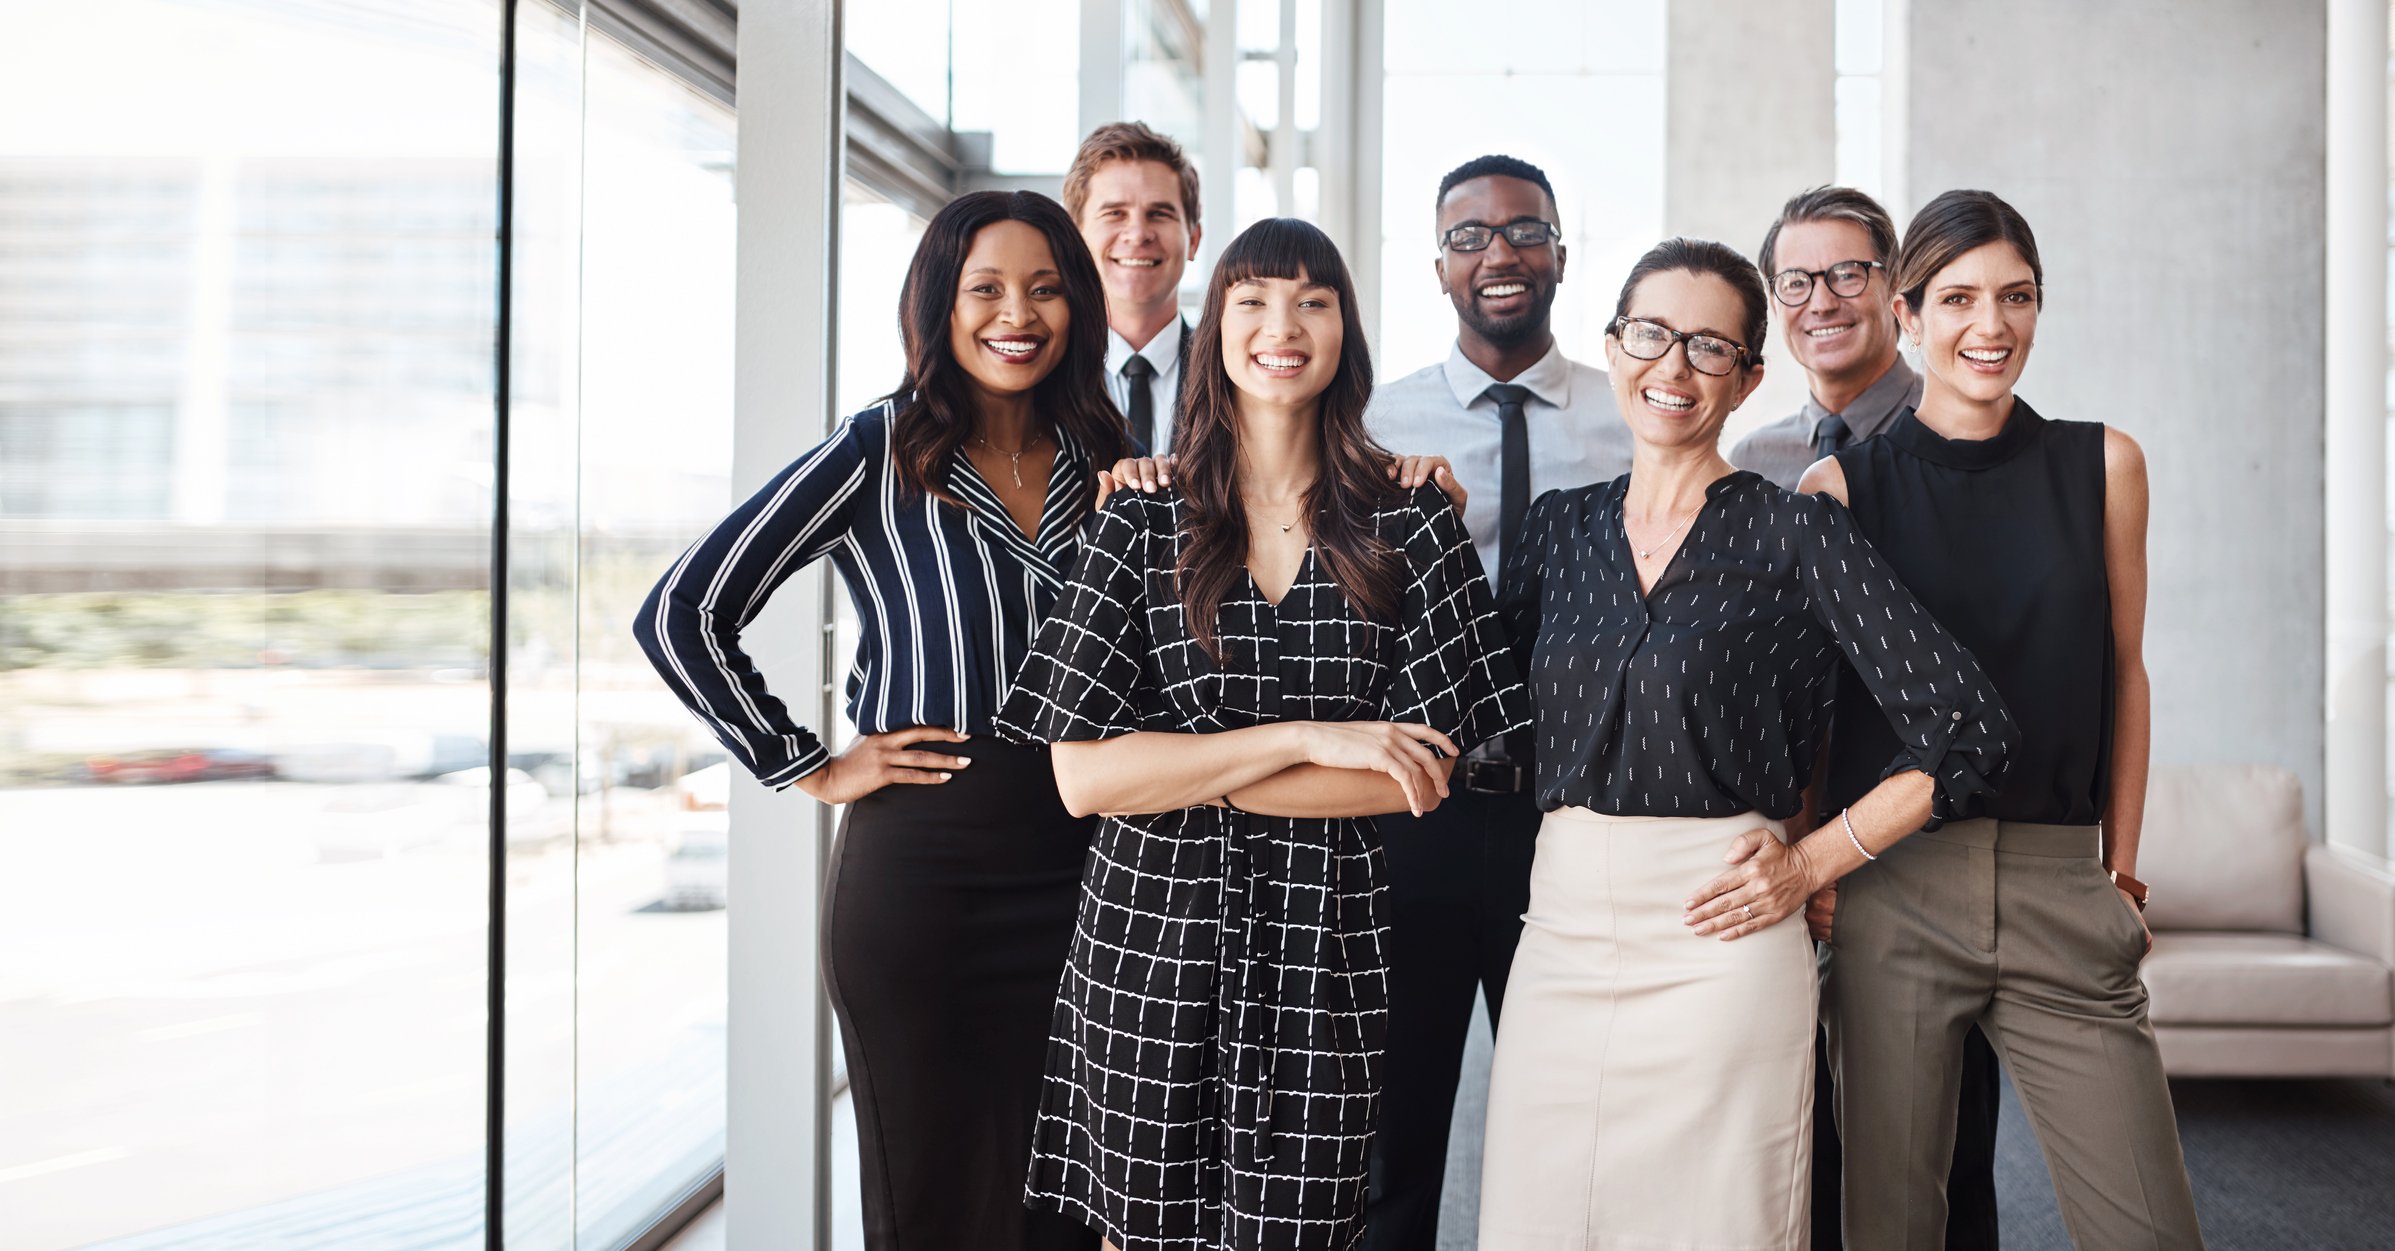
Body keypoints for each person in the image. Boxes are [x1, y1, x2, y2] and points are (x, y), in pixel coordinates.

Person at [996, 217, 1529, 1251]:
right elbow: (1083, 780)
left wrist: (1186, 772)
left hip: (1324, 948)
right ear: (1216, 331)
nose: (1281, 326)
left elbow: (1414, 778)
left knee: (1307, 1229)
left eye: (1312, 302)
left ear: (1346, 332)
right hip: (1148, 940)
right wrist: (1318, 739)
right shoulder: (1138, 518)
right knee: (1140, 1234)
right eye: (1251, 301)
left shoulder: (1412, 518)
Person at [1476, 237, 2014, 1250]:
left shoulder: (1793, 531)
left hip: (1719, 938)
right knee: (1535, 1221)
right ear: (1612, 346)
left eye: (1709, 347)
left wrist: (1813, 859)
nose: (1672, 368)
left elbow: (1967, 728)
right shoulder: (1556, 531)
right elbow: (1479, 721)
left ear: (1748, 378)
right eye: (1650, 335)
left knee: (1714, 1224)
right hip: (1559, 939)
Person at [633, 190, 1126, 1251]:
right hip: (925, 874)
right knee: (929, 1196)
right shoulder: (880, 450)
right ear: (938, 306)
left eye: (1045, 288)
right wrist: (806, 763)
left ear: (1077, 307)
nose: (1018, 313)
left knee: (1072, 1206)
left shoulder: (1111, 456)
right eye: (984, 288)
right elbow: (681, 611)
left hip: (1092, 863)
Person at [1799, 189, 2204, 1250]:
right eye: (1961, 299)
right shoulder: (1839, 489)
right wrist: (1822, 868)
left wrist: (2117, 866)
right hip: (1896, 892)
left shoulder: (2102, 464)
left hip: (2058, 884)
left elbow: (2125, 670)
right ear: (1907, 315)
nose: (1992, 326)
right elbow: (1821, 709)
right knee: (1890, 1227)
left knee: (2148, 1230)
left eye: (2016, 297)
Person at [1356, 152, 1633, 1251]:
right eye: (1469, 236)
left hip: (1568, 815)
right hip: (1412, 809)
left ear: (1560, 255)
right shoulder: (1372, 427)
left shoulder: (1630, 419)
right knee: (1394, 1139)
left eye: (1523, 231)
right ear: (1439, 268)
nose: (1499, 253)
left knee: (1569, 1132)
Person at [1733, 185, 2002, 1251]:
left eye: (1848, 272)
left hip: (1930, 841)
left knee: (1942, 1163)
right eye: (1795, 280)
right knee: (1804, 1148)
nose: (1822, 299)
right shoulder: (1751, 465)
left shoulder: (1961, 438)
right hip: (1790, 843)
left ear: (1895, 291)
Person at [1065, 121, 1202, 454]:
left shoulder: (1232, 371)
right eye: (1115, 213)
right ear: (1074, 237)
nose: (1138, 233)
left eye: (1159, 213)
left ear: (1194, 240)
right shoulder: (1041, 373)